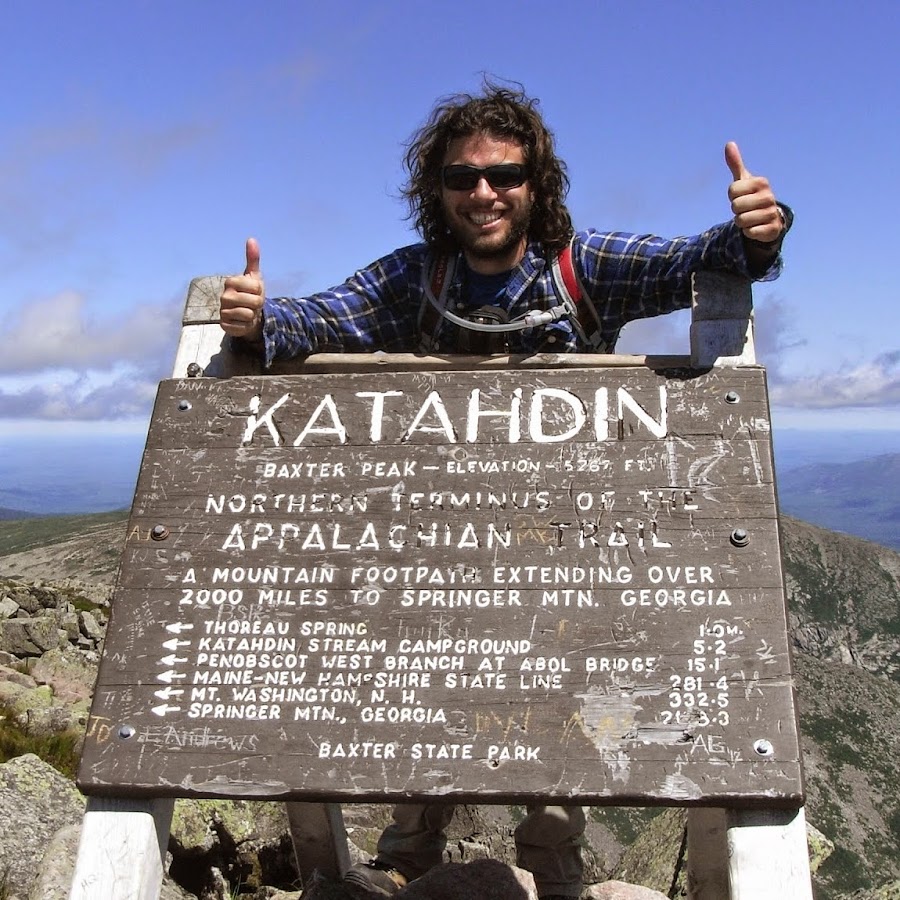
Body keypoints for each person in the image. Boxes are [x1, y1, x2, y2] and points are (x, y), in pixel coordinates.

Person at [219, 81, 791, 900]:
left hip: (566, 547)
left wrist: (757, 233)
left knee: (564, 692)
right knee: (425, 678)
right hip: (441, 545)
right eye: (462, 177)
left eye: (504, 174)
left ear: (535, 183)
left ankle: (553, 873)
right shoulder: (415, 279)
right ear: (438, 190)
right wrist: (259, 321)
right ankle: (408, 858)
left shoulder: (582, 267)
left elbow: (688, 263)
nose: (483, 192)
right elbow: (322, 319)